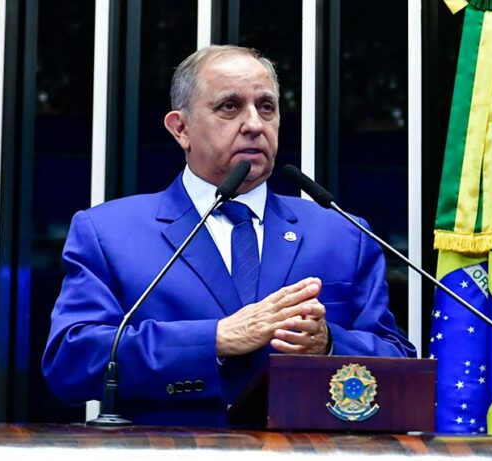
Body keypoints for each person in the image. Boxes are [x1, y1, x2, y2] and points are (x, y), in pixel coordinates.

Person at [42, 45, 416, 427]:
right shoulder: (109, 233)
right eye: (230, 107)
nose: (254, 124)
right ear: (181, 128)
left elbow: (401, 368)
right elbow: (71, 362)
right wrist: (215, 338)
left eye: (266, 107)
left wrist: (329, 344)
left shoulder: (342, 234)